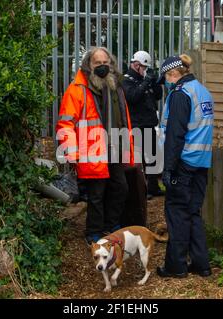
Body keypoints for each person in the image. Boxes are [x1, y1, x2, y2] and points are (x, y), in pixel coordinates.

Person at [56, 47, 134, 245]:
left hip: (115, 147)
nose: (102, 67)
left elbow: (124, 119)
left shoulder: (115, 87)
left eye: (105, 63)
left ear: (111, 63)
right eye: (97, 63)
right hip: (91, 151)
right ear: (88, 66)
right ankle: (94, 233)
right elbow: (66, 123)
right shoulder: (77, 90)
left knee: (120, 188)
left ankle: (111, 226)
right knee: (96, 195)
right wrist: (72, 152)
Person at [155, 54, 214, 278]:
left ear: (173, 74)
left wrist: (168, 168)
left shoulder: (180, 95)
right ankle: (201, 264)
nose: (167, 84)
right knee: (192, 213)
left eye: (167, 78)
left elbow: (175, 136)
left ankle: (175, 266)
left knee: (177, 214)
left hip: (183, 163)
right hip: (201, 163)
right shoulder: (203, 91)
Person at [122, 51, 164, 199]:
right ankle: (140, 191)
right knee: (138, 161)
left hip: (149, 124)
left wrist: (155, 82)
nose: (146, 70)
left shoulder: (144, 79)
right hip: (136, 126)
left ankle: (153, 188)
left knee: (153, 158)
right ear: (136, 65)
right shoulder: (126, 80)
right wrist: (146, 82)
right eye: (144, 67)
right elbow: (133, 97)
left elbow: (157, 96)